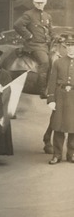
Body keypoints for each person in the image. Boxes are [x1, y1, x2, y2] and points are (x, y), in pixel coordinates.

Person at [14, 0, 54, 97]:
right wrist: (28, 36)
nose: (39, 4)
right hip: (34, 46)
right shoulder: (29, 14)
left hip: (46, 45)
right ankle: (42, 90)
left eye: (41, 2)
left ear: (45, 2)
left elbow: (50, 30)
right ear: (34, 3)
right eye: (37, 3)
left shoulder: (47, 16)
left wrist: (55, 38)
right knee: (45, 62)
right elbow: (17, 25)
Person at [46, 34, 74, 164]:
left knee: (73, 127)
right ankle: (57, 155)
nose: (70, 48)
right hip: (60, 96)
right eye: (68, 45)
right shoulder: (58, 62)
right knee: (58, 126)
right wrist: (51, 99)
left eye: (73, 45)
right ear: (64, 47)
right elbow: (52, 82)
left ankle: (71, 154)